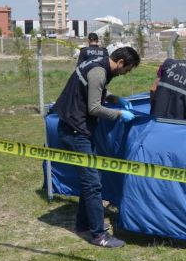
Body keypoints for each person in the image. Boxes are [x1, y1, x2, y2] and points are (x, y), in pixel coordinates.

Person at [52, 47, 140, 248]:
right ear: (119, 62)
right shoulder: (99, 72)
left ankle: (83, 225)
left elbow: (94, 89)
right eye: (126, 70)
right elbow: (94, 108)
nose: (125, 74)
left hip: (76, 127)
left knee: (92, 180)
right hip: (75, 130)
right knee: (93, 183)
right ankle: (99, 235)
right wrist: (118, 114)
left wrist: (113, 97)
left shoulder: (99, 64)